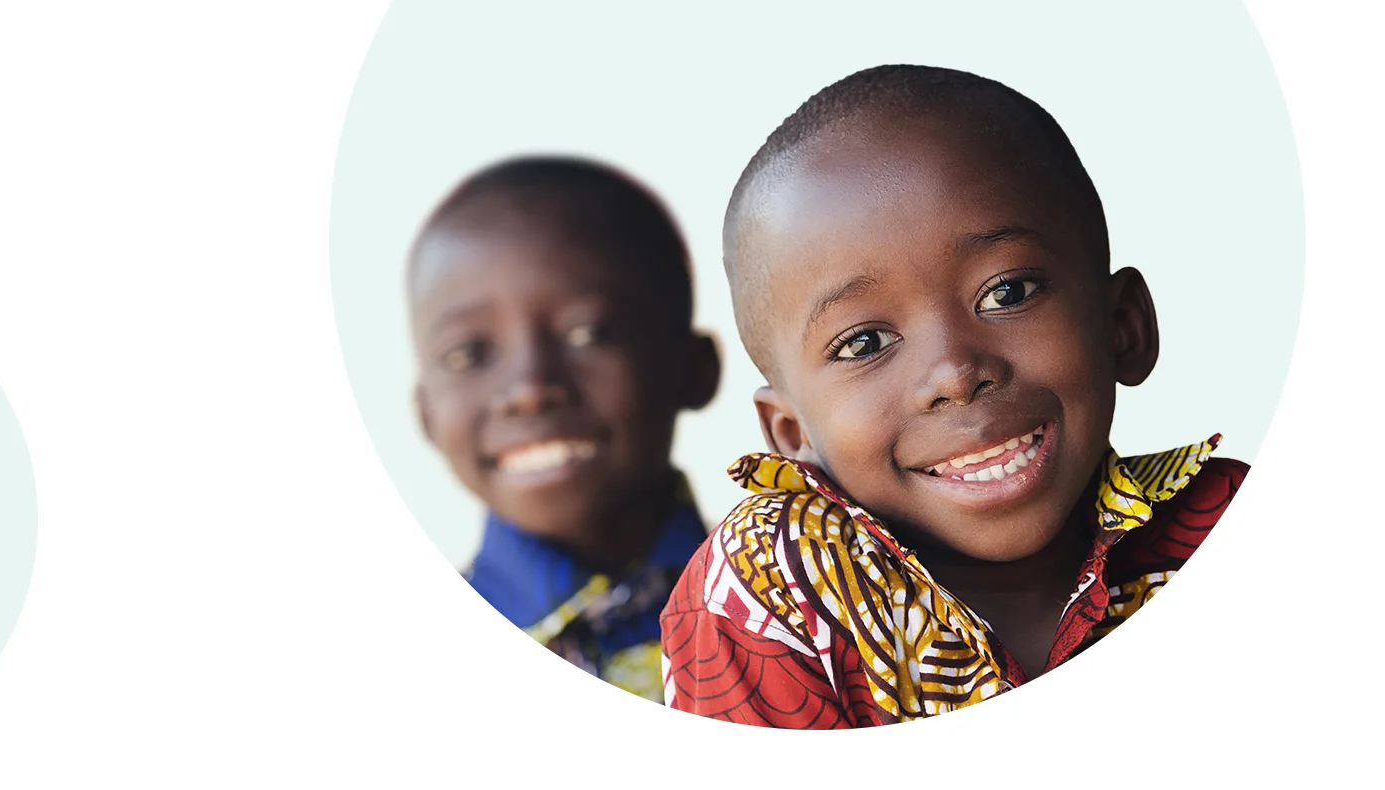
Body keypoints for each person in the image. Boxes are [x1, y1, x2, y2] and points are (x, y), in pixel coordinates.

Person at [658, 65, 1249, 727]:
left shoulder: (1232, 527)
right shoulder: (772, 592)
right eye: (864, 343)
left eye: (1008, 293)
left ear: (1123, 327)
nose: (955, 374)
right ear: (793, 434)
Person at [408, 156, 721, 702]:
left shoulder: (811, 615)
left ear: (693, 368)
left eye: (589, 332)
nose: (530, 387)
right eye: (468, 355)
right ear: (427, 415)